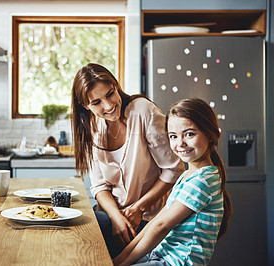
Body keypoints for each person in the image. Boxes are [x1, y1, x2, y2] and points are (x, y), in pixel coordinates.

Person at [71, 63, 184, 258]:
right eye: (96, 102)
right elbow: (99, 187)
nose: (108, 105)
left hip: (148, 220)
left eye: (109, 94)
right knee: (78, 237)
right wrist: (116, 218)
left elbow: (173, 170)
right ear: (85, 106)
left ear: (116, 85)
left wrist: (138, 208)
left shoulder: (142, 111)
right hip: (112, 217)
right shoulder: (93, 127)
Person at [113, 98, 232, 266]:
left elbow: (161, 226)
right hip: (161, 255)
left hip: (177, 262)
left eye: (189, 134)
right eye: (173, 136)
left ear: (210, 134)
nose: (180, 143)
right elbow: (155, 221)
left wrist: (122, 264)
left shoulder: (203, 181)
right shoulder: (187, 176)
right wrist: (122, 257)